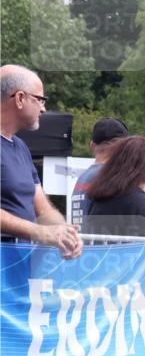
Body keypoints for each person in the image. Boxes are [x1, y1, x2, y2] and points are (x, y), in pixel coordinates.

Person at [0, 64, 81, 258]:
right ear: (20, 99)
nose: (44, 109)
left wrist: (66, 234)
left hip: (15, 272)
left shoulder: (20, 147)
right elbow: (40, 227)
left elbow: (43, 209)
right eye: (40, 100)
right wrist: (39, 231)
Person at [72, 117, 145, 226]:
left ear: (91, 145)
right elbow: (130, 213)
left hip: (83, 244)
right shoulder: (111, 177)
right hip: (109, 246)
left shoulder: (81, 178)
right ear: (124, 147)